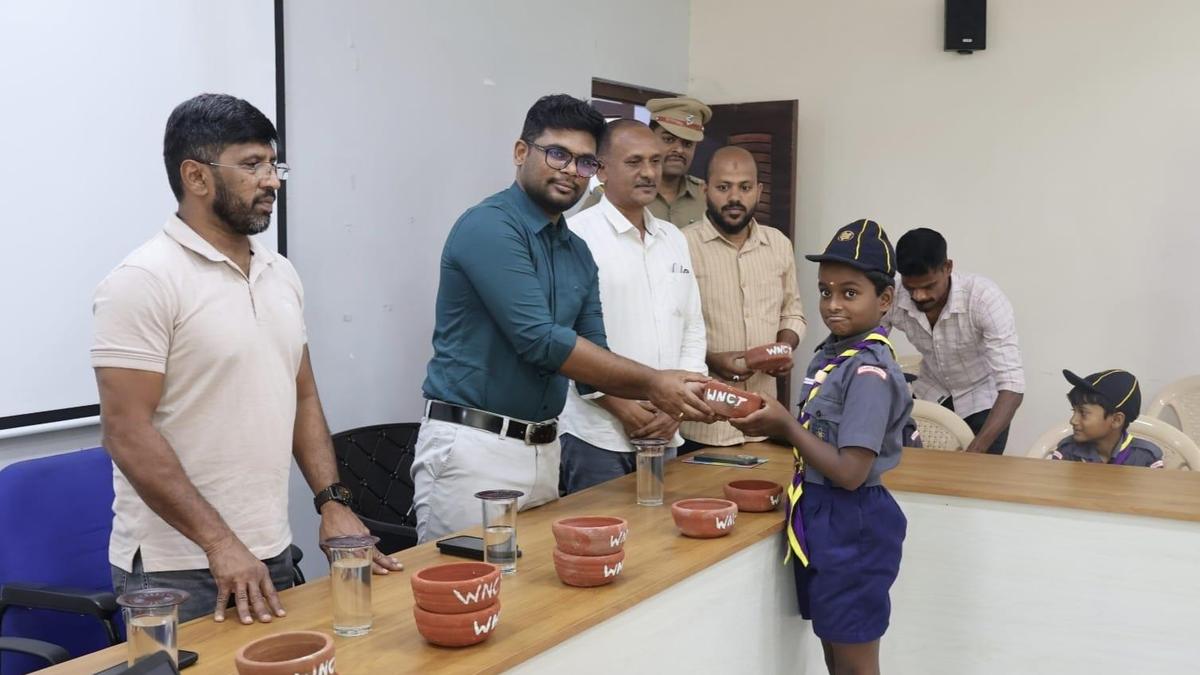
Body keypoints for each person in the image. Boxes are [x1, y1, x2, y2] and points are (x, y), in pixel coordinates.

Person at [92, 94, 400, 625]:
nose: (272, 180)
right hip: (178, 569)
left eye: (274, 164)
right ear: (196, 176)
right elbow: (126, 432)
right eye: (253, 164)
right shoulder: (142, 281)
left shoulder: (281, 273)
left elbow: (302, 393)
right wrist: (219, 543)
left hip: (271, 550)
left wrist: (332, 502)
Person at [414, 95, 713, 542]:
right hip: (475, 447)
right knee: (472, 583)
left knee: (543, 587)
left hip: (544, 449)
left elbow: (594, 354)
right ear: (521, 152)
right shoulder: (489, 226)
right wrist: (655, 383)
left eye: (584, 161)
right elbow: (540, 340)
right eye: (557, 154)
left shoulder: (575, 250)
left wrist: (669, 400)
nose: (571, 170)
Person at [729, 219, 910, 675]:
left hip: (854, 522)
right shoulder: (832, 356)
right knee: (834, 653)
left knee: (855, 664)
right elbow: (816, 434)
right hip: (822, 513)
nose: (832, 305)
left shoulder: (868, 372)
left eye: (850, 293)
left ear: (885, 299)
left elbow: (850, 472)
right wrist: (762, 416)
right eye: (825, 291)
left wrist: (786, 426)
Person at [558, 119, 707, 494]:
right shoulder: (575, 235)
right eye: (634, 162)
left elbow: (692, 326)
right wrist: (619, 405)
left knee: (659, 529)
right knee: (602, 530)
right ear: (602, 169)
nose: (649, 173)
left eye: (655, 161)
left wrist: (677, 405)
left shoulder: (673, 238)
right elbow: (562, 337)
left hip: (665, 428)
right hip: (597, 432)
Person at [679, 146, 806, 451]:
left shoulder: (778, 244)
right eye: (723, 187)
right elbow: (668, 327)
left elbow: (792, 312)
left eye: (745, 188)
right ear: (705, 190)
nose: (734, 197)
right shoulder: (680, 244)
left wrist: (783, 348)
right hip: (702, 424)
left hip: (765, 419)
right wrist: (710, 359)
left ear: (759, 191)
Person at [888, 228, 1025, 454]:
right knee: (917, 469)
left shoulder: (983, 298)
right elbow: (869, 347)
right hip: (931, 392)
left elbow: (1012, 385)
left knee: (978, 474)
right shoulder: (894, 295)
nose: (919, 296)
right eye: (911, 288)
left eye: (928, 286)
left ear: (947, 267)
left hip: (983, 400)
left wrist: (975, 452)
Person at [579, 96, 712, 228]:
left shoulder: (707, 194)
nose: (679, 150)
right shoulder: (613, 195)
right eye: (669, 140)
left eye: (688, 144)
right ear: (650, 138)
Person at [1051, 369, 1164, 467]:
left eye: (1083, 413)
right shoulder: (1067, 452)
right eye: (1074, 411)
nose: (1073, 421)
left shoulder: (1146, 459)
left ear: (1116, 420)